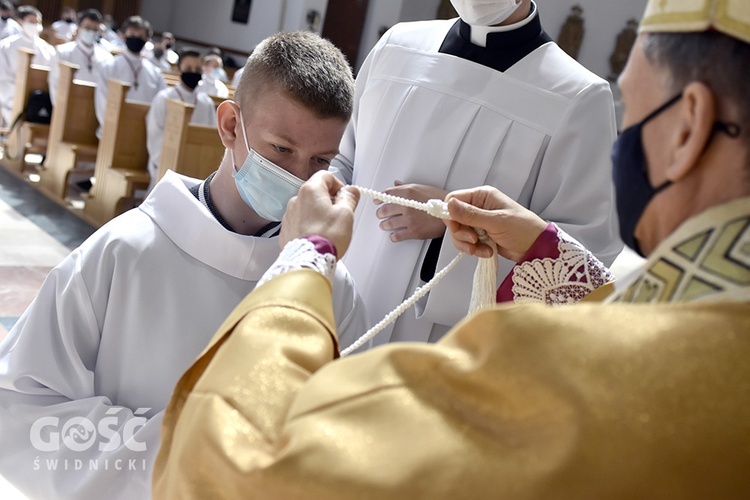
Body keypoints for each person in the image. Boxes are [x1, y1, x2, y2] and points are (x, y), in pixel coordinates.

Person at [152, 0, 750, 497]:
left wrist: (307, 258)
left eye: (637, 109)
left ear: (691, 122)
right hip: (350, 297)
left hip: (431, 341)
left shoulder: (577, 95)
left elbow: (234, 469)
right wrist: (543, 250)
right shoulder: (395, 46)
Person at [0, 31, 366, 499]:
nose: (298, 176)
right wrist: (192, 461)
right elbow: (22, 405)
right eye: (280, 149)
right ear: (231, 125)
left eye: (320, 160)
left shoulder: (331, 287)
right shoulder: (124, 250)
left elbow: (346, 435)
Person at [330, 0, 622, 347]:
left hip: (446, 344)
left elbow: (581, 259)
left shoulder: (578, 96)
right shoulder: (396, 47)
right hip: (342, 302)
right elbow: (341, 161)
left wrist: (455, 227)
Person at [145, 49, 216, 192]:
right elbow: (155, 135)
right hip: (168, 165)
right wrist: (169, 161)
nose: (193, 72)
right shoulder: (164, 98)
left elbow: (212, 137)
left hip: (197, 166)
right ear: (178, 70)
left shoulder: (206, 103)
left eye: (197, 69)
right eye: (188, 69)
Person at [94, 15, 165, 137]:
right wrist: (111, 126)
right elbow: (102, 100)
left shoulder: (155, 73)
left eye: (140, 36)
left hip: (144, 133)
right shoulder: (110, 66)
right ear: (123, 36)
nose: (136, 38)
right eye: (132, 34)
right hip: (112, 131)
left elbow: (160, 104)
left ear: (147, 39)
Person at [0, 5, 54, 127]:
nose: (35, 25)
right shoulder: (6, 45)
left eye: (37, 22)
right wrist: (16, 97)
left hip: (38, 100)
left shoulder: (48, 50)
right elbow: (2, 77)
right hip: (10, 98)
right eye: (31, 21)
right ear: (21, 22)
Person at [47, 8, 113, 105]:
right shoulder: (62, 52)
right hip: (67, 107)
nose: (91, 32)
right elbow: (54, 83)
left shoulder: (107, 58)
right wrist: (60, 108)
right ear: (78, 28)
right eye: (87, 28)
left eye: (95, 29)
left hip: (94, 108)